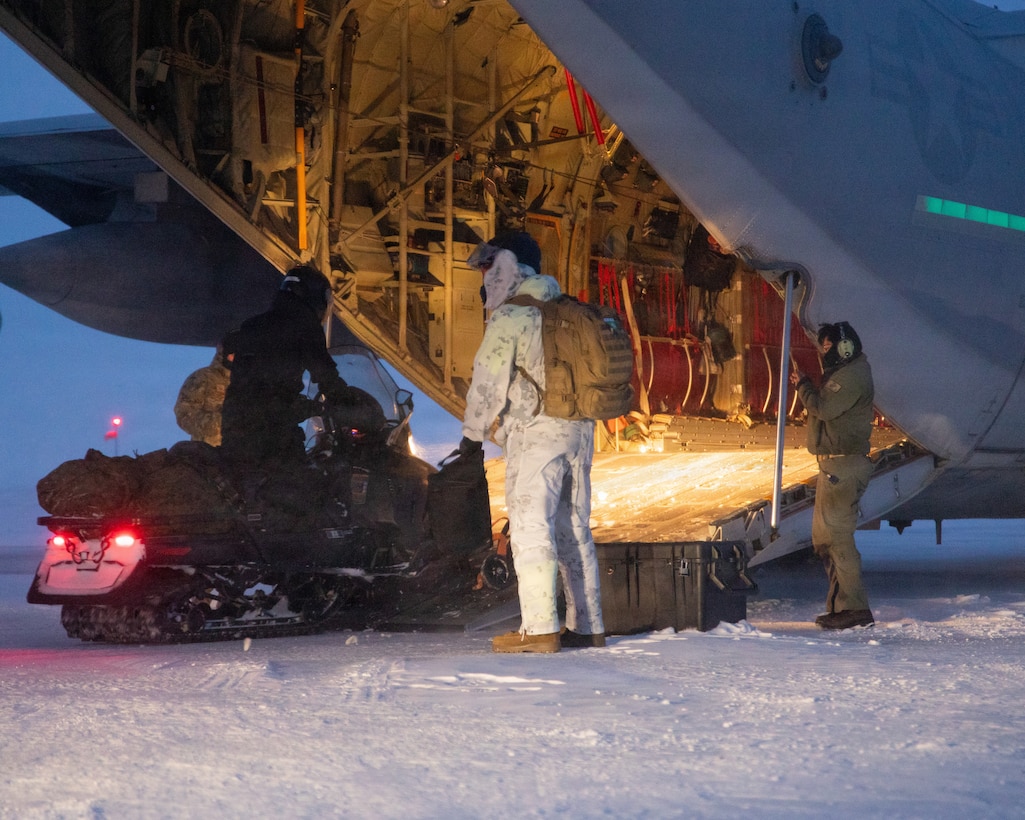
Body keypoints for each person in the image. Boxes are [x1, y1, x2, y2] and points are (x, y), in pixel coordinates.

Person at [460, 231, 605, 653]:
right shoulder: (567, 308)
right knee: (574, 529)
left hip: (537, 435)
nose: (485, 275)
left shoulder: (513, 315)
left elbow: (488, 383)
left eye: (490, 265)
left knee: (530, 528)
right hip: (579, 432)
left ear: (508, 265)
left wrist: (472, 435)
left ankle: (540, 629)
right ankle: (588, 625)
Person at [220, 264, 380, 469]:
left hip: (234, 426)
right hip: (273, 432)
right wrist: (349, 405)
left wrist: (302, 405)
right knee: (301, 488)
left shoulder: (253, 324)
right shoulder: (304, 326)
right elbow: (325, 374)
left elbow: (255, 375)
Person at [791, 321, 876, 630]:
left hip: (843, 467)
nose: (824, 353)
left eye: (828, 347)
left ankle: (855, 609)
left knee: (838, 539)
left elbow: (824, 409)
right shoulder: (846, 372)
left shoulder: (852, 376)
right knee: (826, 539)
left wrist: (804, 387)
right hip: (833, 466)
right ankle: (842, 607)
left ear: (844, 348)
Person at [174, 345, 231, 446]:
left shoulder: (252, 381)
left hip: (247, 455)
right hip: (209, 455)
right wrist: (224, 421)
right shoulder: (202, 378)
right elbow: (184, 415)